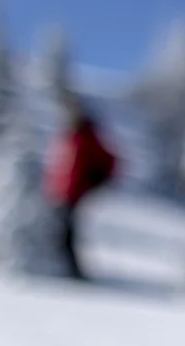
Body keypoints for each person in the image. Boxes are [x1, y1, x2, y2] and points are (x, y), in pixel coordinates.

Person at [43, 91, 118, 281]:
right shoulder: (69, 136)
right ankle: (61, 270)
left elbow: (108, 161)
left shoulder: (87, 136)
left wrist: (94, 181)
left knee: (66, 233)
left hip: (74, 193)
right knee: (59, 232)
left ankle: (73, 275)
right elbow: (61, 166)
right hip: (61, 193)